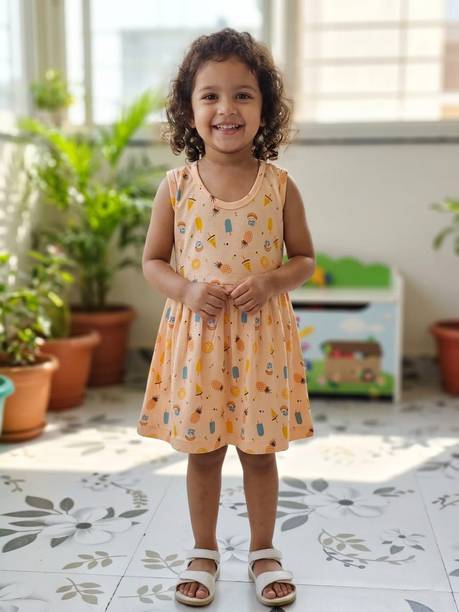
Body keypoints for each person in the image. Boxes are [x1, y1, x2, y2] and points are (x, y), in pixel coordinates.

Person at [137, 28, 315, 608]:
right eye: (210, 95)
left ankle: (264, 550)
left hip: (260, 342)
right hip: (200, 343)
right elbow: (153, 262)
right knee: (204, 453)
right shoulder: (176, 187)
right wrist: (186, 290)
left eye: (243, 95)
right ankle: (204, 551)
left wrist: (271, 281)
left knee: (260, 455)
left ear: (266, 107)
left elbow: (304, 259)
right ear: (189, 110)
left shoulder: (280, 187)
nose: (226, 109)